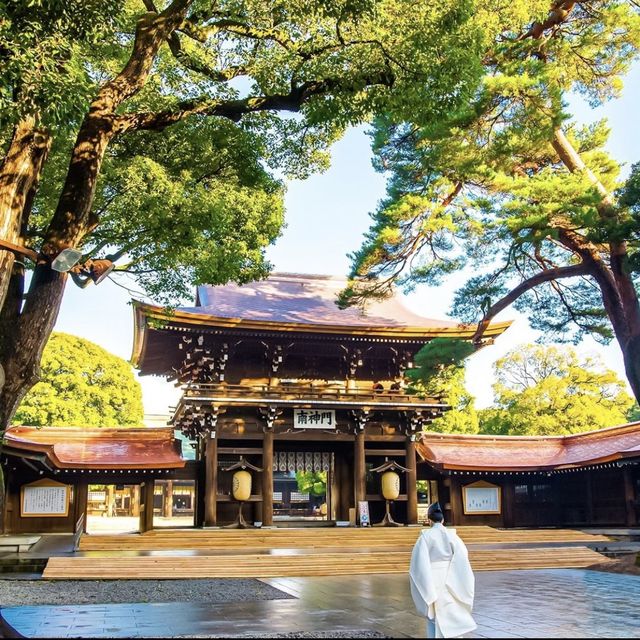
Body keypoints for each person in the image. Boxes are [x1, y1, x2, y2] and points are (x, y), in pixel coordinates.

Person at [409, 502, 476, 638]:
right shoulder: (453, 536)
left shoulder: (425, 537)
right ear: (443, 520)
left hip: (432, 576)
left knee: (434, 614)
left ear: (429, 520)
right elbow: (462, 557)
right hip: (452, 576)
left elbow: (419, 564)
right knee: (452, 611)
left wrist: (425, 584)